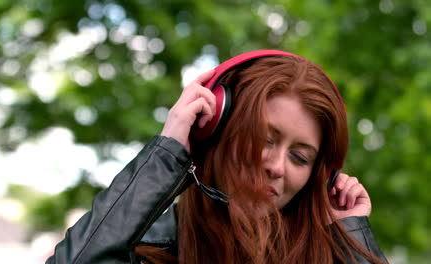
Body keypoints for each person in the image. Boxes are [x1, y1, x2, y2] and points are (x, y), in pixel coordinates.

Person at [46, 50, 388, 264]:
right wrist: (168, 154)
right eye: (264, 139)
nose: (276, 166)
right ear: (215, 129)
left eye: (299, 157)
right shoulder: (149, 250)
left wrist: (351, 237)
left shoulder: (329, 257)